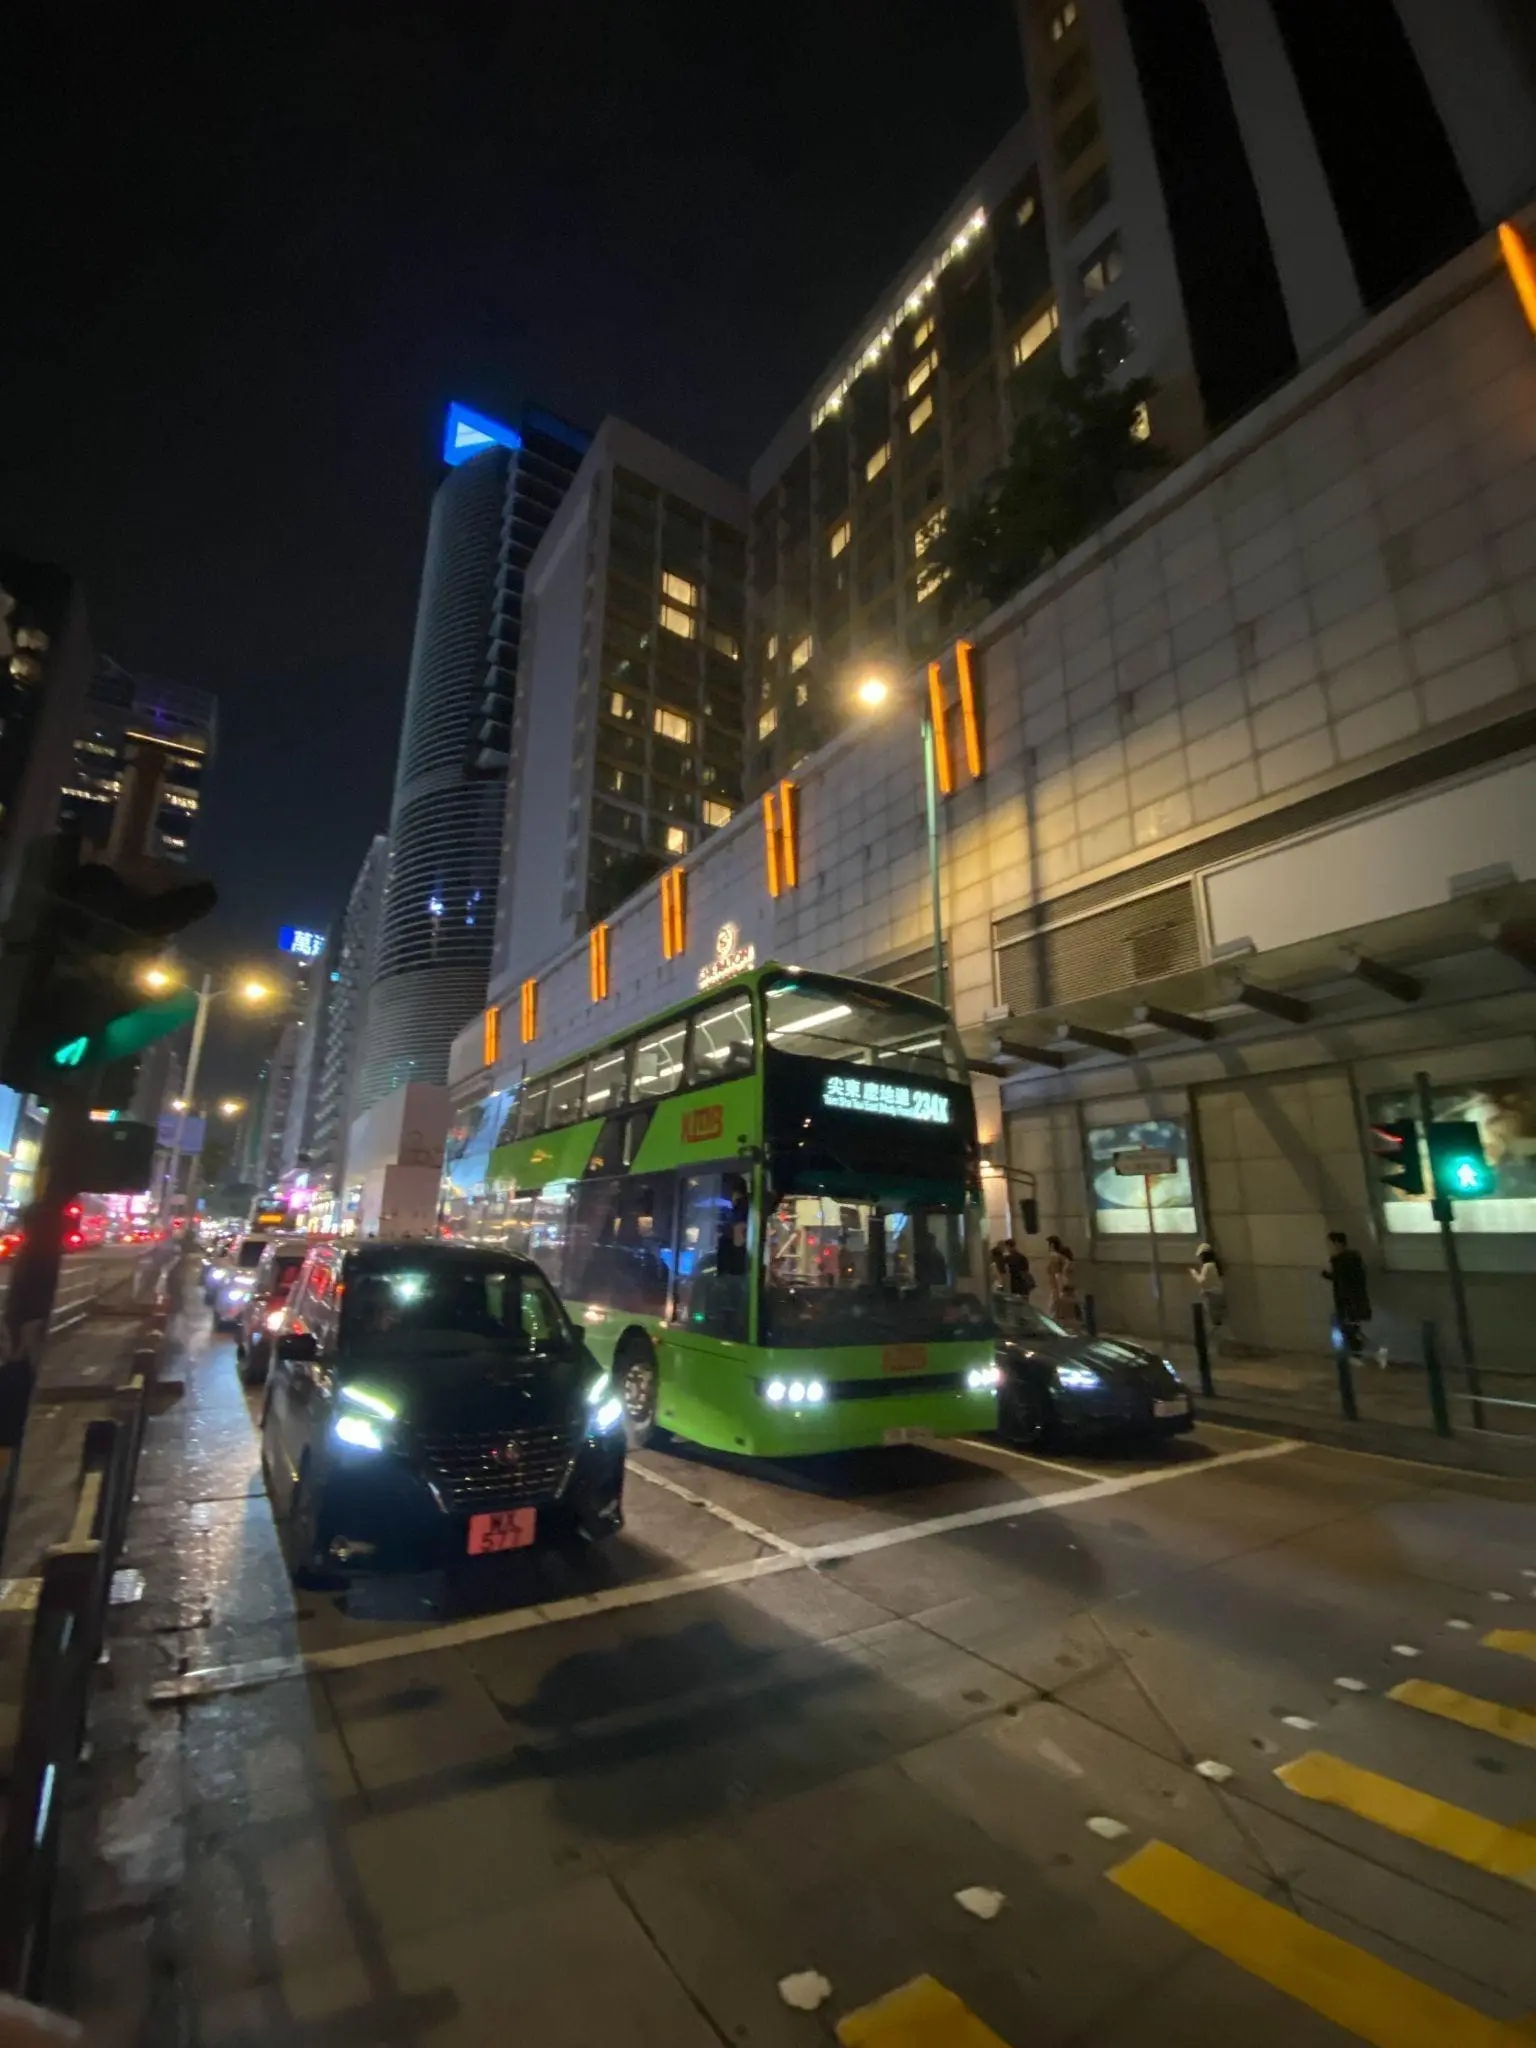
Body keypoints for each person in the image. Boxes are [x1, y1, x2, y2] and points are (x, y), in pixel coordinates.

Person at [1323, 1230, 1372, 1364]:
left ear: (1337, 1243)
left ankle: (1353, 1355)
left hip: (1345, 1300)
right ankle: (1356, 1354)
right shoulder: (1355, 1257)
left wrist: (1325, 1274)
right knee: (1353, 1327)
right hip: (1356, 1298)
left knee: (1347, 1328)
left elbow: (1339, 1279)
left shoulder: (1339, 1259)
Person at [1190, 1242, 1227, 1353]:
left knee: (1212, 1323)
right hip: (1219, 1295)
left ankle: (1211, 1345)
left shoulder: (1207, 1266)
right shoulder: (1215, 1265)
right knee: (1217, 1322)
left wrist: (1194, 1273)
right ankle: (1219, 1346)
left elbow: (1202, 1282)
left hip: (1211, 1297)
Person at [1045, 1236, 1079, 1324]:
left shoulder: (1055, 1257)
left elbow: (1057, 1275)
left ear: (1052, 1245)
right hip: (1066, 1287)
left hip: (1057, 1287)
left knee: (1053, 1309)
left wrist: (1060, 1290)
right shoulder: (1065, 1259)